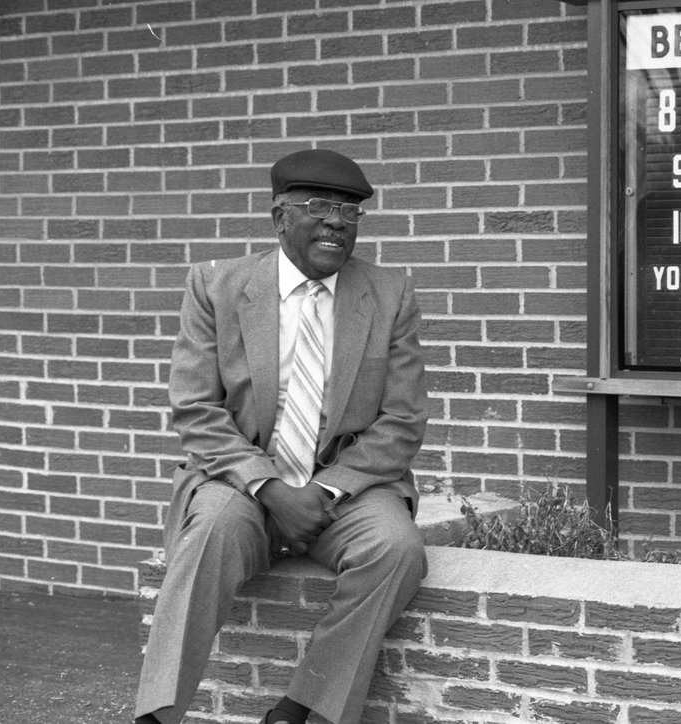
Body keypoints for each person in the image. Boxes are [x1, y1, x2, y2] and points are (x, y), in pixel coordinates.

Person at [134, 149, 429, 724]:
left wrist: (324, 493)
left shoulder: (389, 294)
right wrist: (269, 488)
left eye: (350, 211)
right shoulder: (217, 286)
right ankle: (158, 714)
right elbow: (196, 410)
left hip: (345, 487)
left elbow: (401, 420)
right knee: (211, 532)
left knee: (396, 549)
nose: (338, 222)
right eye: (319, 207)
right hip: (242, 481)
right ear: (280, 217)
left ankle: (301, 710)